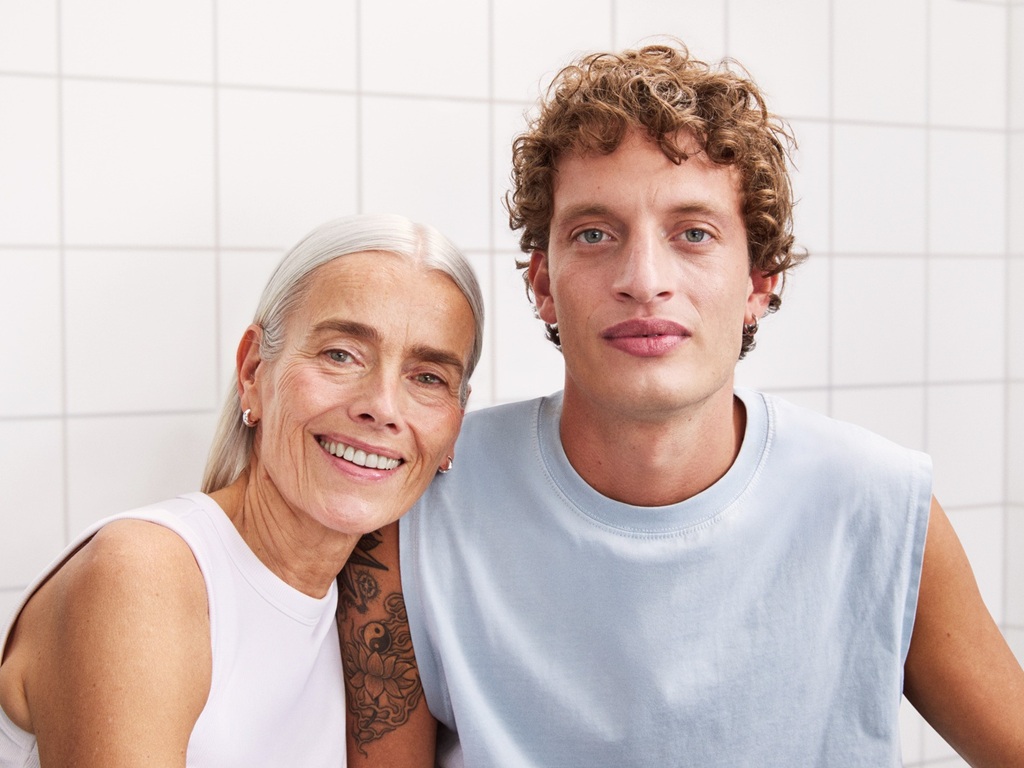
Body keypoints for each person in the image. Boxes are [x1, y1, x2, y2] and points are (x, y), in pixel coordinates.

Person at [338, 44, 1024, 767]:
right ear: (543, 282)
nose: (643, 279)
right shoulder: (418, 503)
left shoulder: (878, 508)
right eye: (594, 234)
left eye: (693, 234)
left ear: (759, 280)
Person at [0, 213, 483, 767]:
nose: (382, 406)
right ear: (254, 369)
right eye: (341, 354)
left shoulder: (364, 623)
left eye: (428, 377)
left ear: (454, 429)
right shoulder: (141, 574)